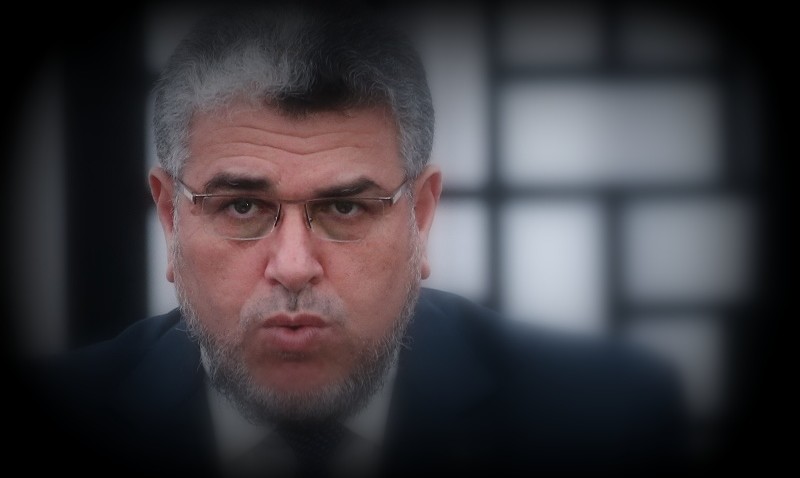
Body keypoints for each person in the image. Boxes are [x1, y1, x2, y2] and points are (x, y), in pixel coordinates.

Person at [23, 3, 692, 477]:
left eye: (344, 206)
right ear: (171, 218)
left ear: (420, 216)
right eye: (243, 206)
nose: (293, 268)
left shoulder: (599, 420)